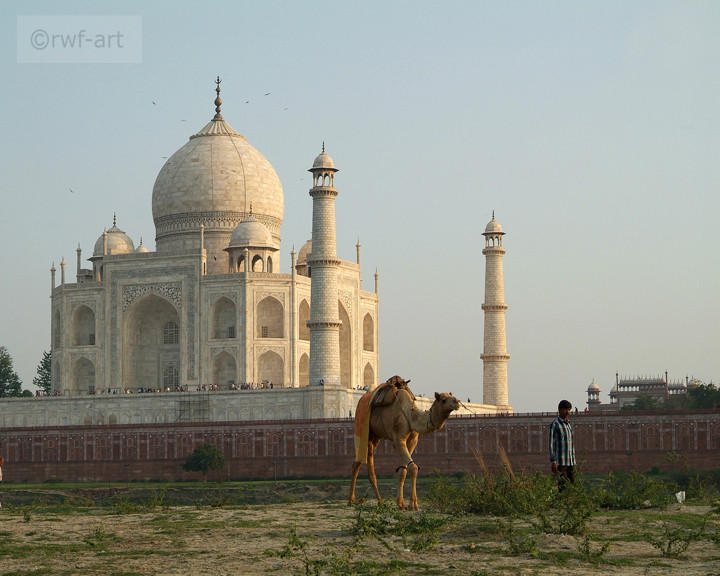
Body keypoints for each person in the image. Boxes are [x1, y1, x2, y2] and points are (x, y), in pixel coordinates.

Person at [549, 399, 575, 490]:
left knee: (572, 485)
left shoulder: (568, 424)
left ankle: (571, 503)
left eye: (568, 410)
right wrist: (553, 461)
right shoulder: (555, 424)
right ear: (559, 410)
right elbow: (551, 443)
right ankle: (562, 503)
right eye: (565, 409)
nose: (567, 412)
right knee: (563, 486)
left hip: (570, 460)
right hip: (560, 461)